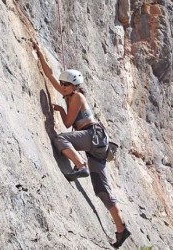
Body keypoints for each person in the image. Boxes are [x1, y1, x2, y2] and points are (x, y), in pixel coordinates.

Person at [33, 42, 131, 248]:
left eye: (66, 85)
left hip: (92, 136)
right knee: (101, 190)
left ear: (74, 86)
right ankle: (121, 229)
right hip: (98, 145)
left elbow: (69, 124)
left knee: (61, 139)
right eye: (63, 84)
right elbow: (51, 76)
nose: (63, 87)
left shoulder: (76, 96)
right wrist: (39, 52)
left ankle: (80, 166)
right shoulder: (70, 92)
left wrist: (60, 110)